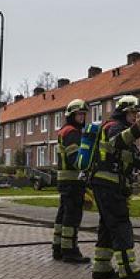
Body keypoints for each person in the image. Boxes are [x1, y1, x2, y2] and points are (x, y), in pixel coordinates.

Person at [90, 95, 140, 279]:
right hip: (109, 185)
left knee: (107, 225)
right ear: (124, 112)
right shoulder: (113, 127)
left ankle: (101, 267)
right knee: (120, 225)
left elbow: (121, 153)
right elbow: (115, 143)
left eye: (136, 114)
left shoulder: (117, 127)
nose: (135, 117)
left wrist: (137, 160)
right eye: (133, 113)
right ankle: (127, 270)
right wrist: (137, 129)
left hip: (105, 184)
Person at [52, 99, 91, 263]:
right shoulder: (72, 133)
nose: (82, 118)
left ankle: (58, 248)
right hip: (73, 181)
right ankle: (70, 251)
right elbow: (76, 159)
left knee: (62, 215)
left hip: (65, 180)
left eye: (83, 114)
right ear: (71, 115)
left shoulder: (63, 131)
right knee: (72, 216)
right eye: (79, 114)